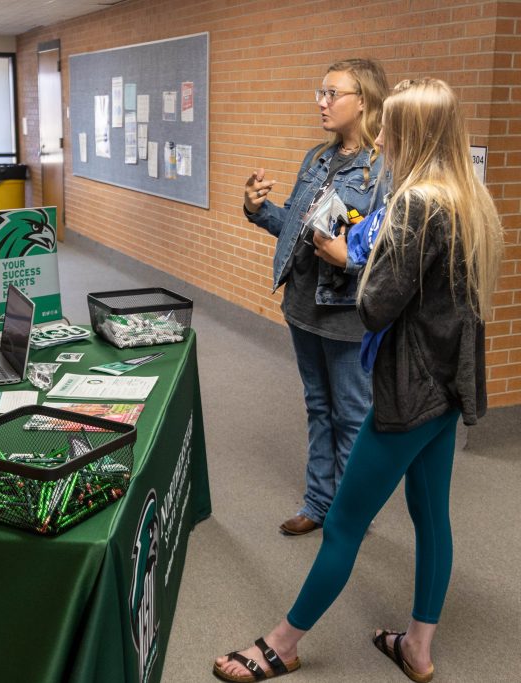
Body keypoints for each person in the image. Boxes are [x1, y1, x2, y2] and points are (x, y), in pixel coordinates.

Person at [214, 77, 504, 682]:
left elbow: (375, 306)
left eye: (394, 124)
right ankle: (418, 648)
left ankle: (282, 644)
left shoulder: (417, 203)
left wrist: (355, 258)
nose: (386, 136)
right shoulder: (468, 197)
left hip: (409, 392)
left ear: (412, 132)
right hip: (448, 388)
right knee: (432, 518)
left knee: (343, 525)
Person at [244, 59, 389, 536]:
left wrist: (345, 256)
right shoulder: (317, 159)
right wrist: (259, 209)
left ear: (364, 101)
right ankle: (318, 502)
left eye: (333, 94)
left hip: (346, 313)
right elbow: (296, 228)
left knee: (352, 415)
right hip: (303, 306)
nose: (322, 103)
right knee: (318, 408)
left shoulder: (384, 171)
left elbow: (390, 254)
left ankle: (349, 517)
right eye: (320, 93)